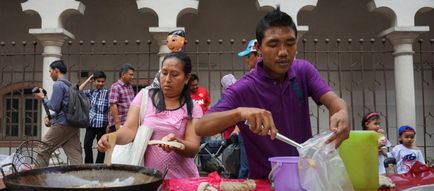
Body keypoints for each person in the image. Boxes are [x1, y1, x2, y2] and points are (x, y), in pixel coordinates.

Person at [195, 8, 349, 179]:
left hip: (307, 178)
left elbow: (333, 100)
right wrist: (240, 113)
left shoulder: (303, 71)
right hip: (265, 184)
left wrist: (341, 112)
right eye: (273, 44)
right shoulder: (244, 87)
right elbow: (201, 126)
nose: (283, 52)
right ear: (259, 48)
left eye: (290, 43)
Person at [98, 52, 202, 179]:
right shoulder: (144, 97)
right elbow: (129, 130)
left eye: (174, 75)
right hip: (149, 180)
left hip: (182, 181)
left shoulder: (193, 108)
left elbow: (193, 147)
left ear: (186, 78)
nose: (168, 79)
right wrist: (111, 137)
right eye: (164, 73)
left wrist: (177, 143)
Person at [33, 60, 82, 167]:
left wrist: (43, 98)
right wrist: (53, 116)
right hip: (73, 124)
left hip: (62, 124)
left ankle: (37, 178)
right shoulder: (70, 85)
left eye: (50, 71)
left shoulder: (58, 85)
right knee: (74, 154)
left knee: (43, 148)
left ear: (56, 71)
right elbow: (65, 107)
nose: (50, 75)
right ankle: (81, 179)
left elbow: (54, 106)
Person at [79, 71, 109, 163]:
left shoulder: (108, 93)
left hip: (102, 125)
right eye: (98, 81)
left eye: (102, 81)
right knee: (87, 145)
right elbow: (78, 91)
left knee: (101, 147)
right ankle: (89, 166)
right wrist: (88, 80)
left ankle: (98, 167)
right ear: (95, 81)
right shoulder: (91, 92)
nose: (100, 83)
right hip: (91, 124)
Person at [108, 64, 135, 132]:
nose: (132, 77)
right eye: (130, 75)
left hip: (127, 123)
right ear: (123, 74)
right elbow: (113, 105)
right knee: (116, 142)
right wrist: (117, 124)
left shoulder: (129, 86)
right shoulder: (115, 87)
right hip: (118, 125)